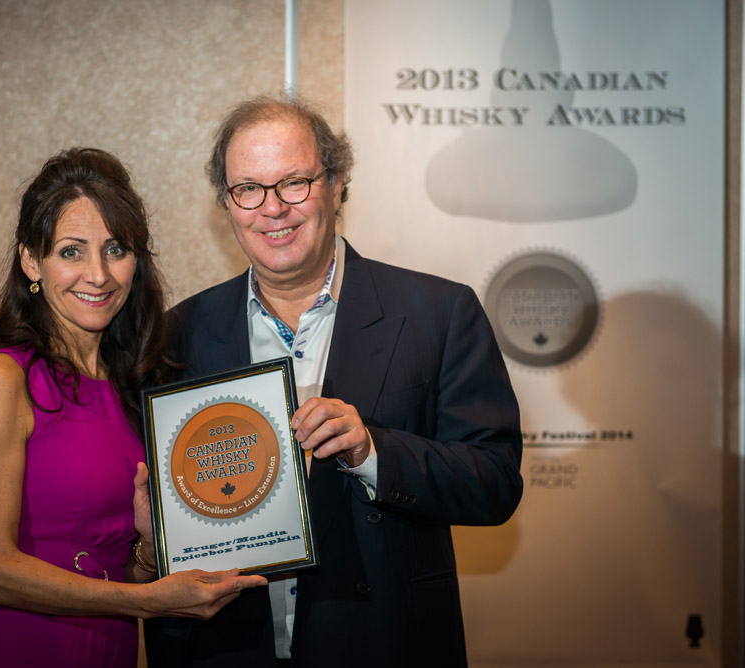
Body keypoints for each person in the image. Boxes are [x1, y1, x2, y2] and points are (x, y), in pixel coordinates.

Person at [144, 96, 524, 666]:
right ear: (227, 203)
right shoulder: (178, 334)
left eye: (294, 182)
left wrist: (373, 451)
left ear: (337, 184)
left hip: (381, 642)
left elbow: (495, 482)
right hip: (228, 646)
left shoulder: (438, 313)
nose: (273, 208)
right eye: (248, 189)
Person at [0, 147, 266, 668]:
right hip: (15, 650)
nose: (98, 274)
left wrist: (149, 551)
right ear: (31, 261)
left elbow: (111, 572)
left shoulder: (130, 386)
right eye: (71, 251)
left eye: (116, 249)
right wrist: (149, 602)